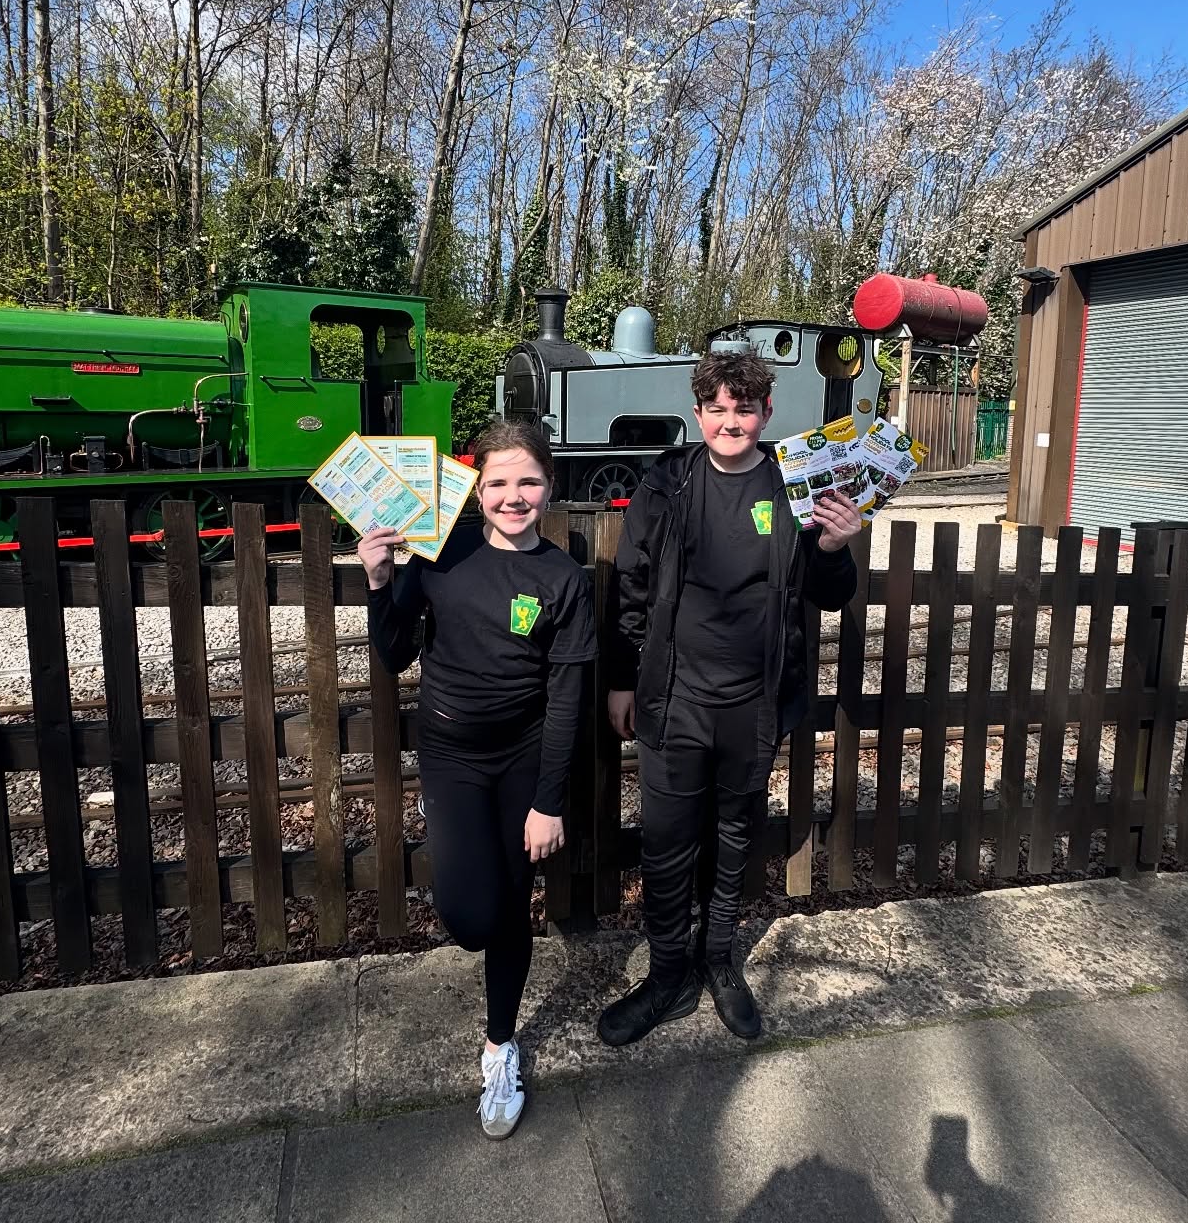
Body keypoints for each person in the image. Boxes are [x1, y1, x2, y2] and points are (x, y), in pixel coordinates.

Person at [597, 349, 861, 1046]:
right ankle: (667, 977)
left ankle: (718, 961)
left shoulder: (795, 482)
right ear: (698, 413)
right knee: (666, 843)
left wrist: (835, 549)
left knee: (734, 837)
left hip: (754, 702)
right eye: (716, 409)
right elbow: (630, 584)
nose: (730, 421)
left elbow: (830, 595)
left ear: (766, 413)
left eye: (744, 409)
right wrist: (621, 678)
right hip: (674, 698)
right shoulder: (668, 482)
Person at [360, 421, 596, 1139]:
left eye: (528, 481)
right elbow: (393, 654)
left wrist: (548, 803)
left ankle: (500, 1047)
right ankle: (493, 947)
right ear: (477, 487)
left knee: (513, 906)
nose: (513, 496)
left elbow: (566, 699)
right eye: (498, 482)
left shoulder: (563, 579)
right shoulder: (443, 551)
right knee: (470, 920)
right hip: (452, 757)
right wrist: (380, 580)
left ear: (549, 486)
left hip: (523, 757)